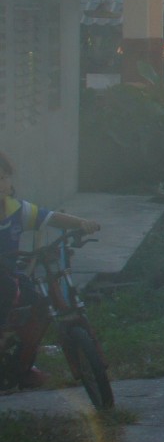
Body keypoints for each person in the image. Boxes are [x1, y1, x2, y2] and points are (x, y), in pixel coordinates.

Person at [0, 151, 101, 390]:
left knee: (40, 306)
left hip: (10, 276)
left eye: (3, 178)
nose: (0, 184)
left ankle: (21, 366)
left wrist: (80, 223)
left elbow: (51, 218)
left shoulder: (16, 209)